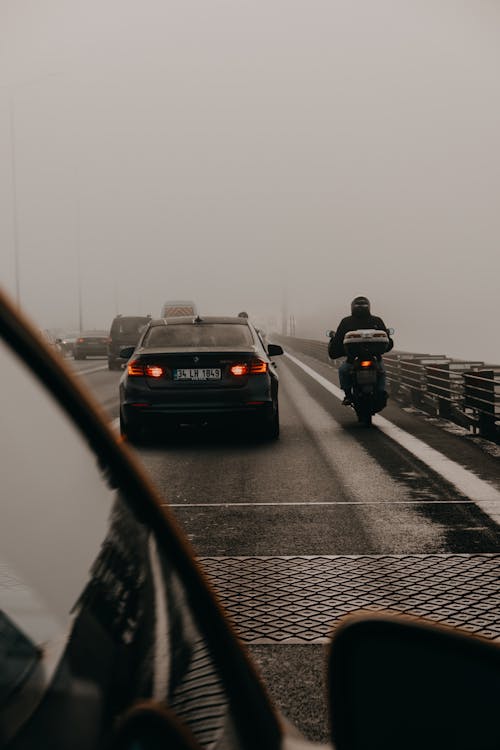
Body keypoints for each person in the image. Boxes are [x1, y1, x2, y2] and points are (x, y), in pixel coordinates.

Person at [328, 296, 393, 405]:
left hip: (353, 359)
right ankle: (381, 392)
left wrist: (335, 350)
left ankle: (348, 395)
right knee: (381, 372)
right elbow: (387, 341)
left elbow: (338, 340)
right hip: (375, 358)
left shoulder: (346, 321)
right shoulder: (376, 320)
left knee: (343, 371)